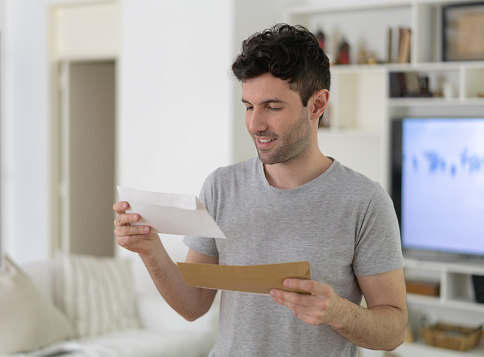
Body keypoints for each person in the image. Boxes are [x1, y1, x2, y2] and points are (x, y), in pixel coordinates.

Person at [114, 23, 408, 356]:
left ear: (317, 104)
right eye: (249, 106)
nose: (255, 124)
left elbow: (394, 331)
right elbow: (193, 305)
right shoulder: (221, 186)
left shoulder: (365, 202)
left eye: (273, 106)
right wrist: (150, 250)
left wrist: (339, 313)